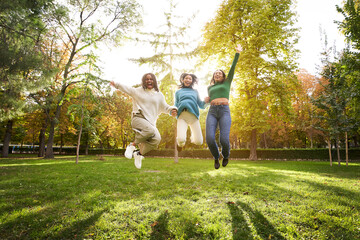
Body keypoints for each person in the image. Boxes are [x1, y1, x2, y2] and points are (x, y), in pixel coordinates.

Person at [110, 73, 177, 169]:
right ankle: (132, 145)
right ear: (144, 81)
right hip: (138, 118)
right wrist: (116, 84)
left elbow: (165, 107)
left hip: (150, 122)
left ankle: (139, 154)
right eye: (146, 79)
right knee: (150, 131)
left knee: (156, 140)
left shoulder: (159, 95)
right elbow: (127, 89)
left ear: (154, 81)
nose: (149, 81)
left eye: (151, 79)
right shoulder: (138, 91)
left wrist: (172, 110)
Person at [206, 44, 242, 169]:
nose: (217, 74)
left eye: (219, 73)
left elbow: (232, 68)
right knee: (210, 138)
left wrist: (237, 53)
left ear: (223, 76)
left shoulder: (227, 82)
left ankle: (225, 155)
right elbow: (209, 100)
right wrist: (206, 100)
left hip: (224, 111)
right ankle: (216, 157)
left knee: (224, 140)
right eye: (215, 73)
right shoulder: (209, 87)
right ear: (213, 76)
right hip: (212, 111)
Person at [174, 73, 208, 151]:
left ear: (192, 81)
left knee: (199, 142)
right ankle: (179, 144)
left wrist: (206, 102)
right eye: (186, 78)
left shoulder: (195, 91)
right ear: (182, 80)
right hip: (182, 116)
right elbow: (175, 105)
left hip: (193, 118)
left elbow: (201, 105)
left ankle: (192, 137)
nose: (188, 80)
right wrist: (173, 111)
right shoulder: (178, 92)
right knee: (181, 139)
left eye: (190, 79)